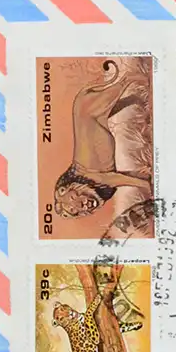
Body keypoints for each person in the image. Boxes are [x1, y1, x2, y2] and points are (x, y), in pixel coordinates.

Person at [51, 58, 155, 231]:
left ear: (67, 188)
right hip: (91, 116)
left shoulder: (93, 179)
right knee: (114, 106)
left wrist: (149, 187)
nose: (80, 204)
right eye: (75, 211)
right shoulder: (94, 185)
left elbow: (124, 180)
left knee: (126, 82)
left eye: (74, 198)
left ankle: (133, 77)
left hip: (87, 113)